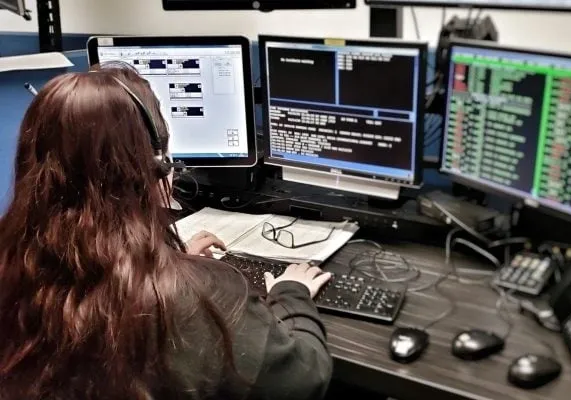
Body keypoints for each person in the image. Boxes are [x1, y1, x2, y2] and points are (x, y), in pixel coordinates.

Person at [0, 63, 334, 400]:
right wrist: (292, 294)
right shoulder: (201, 295)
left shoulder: (12, 265)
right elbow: (305, 380)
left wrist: (162, 266)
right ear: (155, 162)